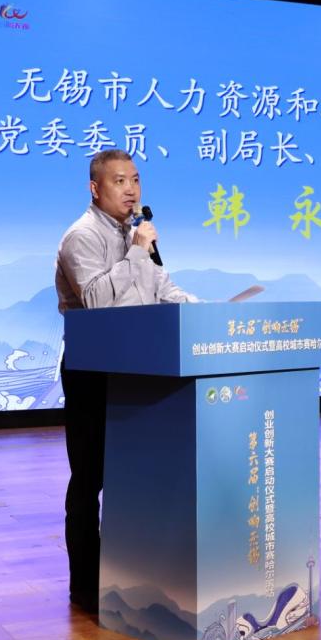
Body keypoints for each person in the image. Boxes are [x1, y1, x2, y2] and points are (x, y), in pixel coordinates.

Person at [55, 149, 196, 614]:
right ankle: (86, 586)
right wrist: (136, 250)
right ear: (95, 188)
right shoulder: (82, 237)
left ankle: (128, 580)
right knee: (90, 477)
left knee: (133, 475)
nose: (131, 189)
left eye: (135, 179)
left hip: (138, 370)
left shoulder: (135, 234)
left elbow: (162, 290)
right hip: (92, 371)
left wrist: (205, 311)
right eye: (120, 181)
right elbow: (96, 301)